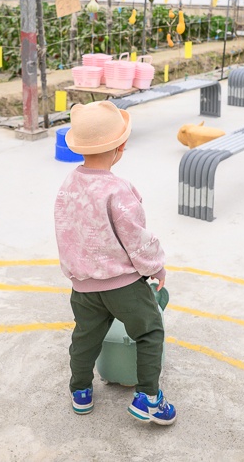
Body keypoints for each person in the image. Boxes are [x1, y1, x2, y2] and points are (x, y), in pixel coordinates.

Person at [53, 101, 177, 425]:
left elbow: (65, 231)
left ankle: (80, 390)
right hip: (122, 284)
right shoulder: (118, 190)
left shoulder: (67, 185)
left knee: (85, 337)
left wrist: (77, 271)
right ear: (120, 147)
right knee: (150, 330)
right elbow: (136, 238)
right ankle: (148, 397)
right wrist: (156, 266)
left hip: (83, 285)